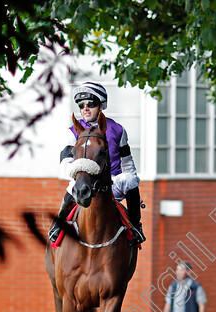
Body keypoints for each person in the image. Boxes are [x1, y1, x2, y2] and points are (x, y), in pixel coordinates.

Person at [49, 82, 146, 246]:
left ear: (101, 106)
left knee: (130, 180)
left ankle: (136, 226)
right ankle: (58, 224)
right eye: (81, 105)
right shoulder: (72, 131)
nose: (85, 108)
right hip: (83, 179)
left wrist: (131, 177)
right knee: (72, 185)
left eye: (91, 104)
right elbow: (66, 163)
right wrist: (82, 172)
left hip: (113, 181)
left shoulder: (118, 129)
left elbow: (127, 162)